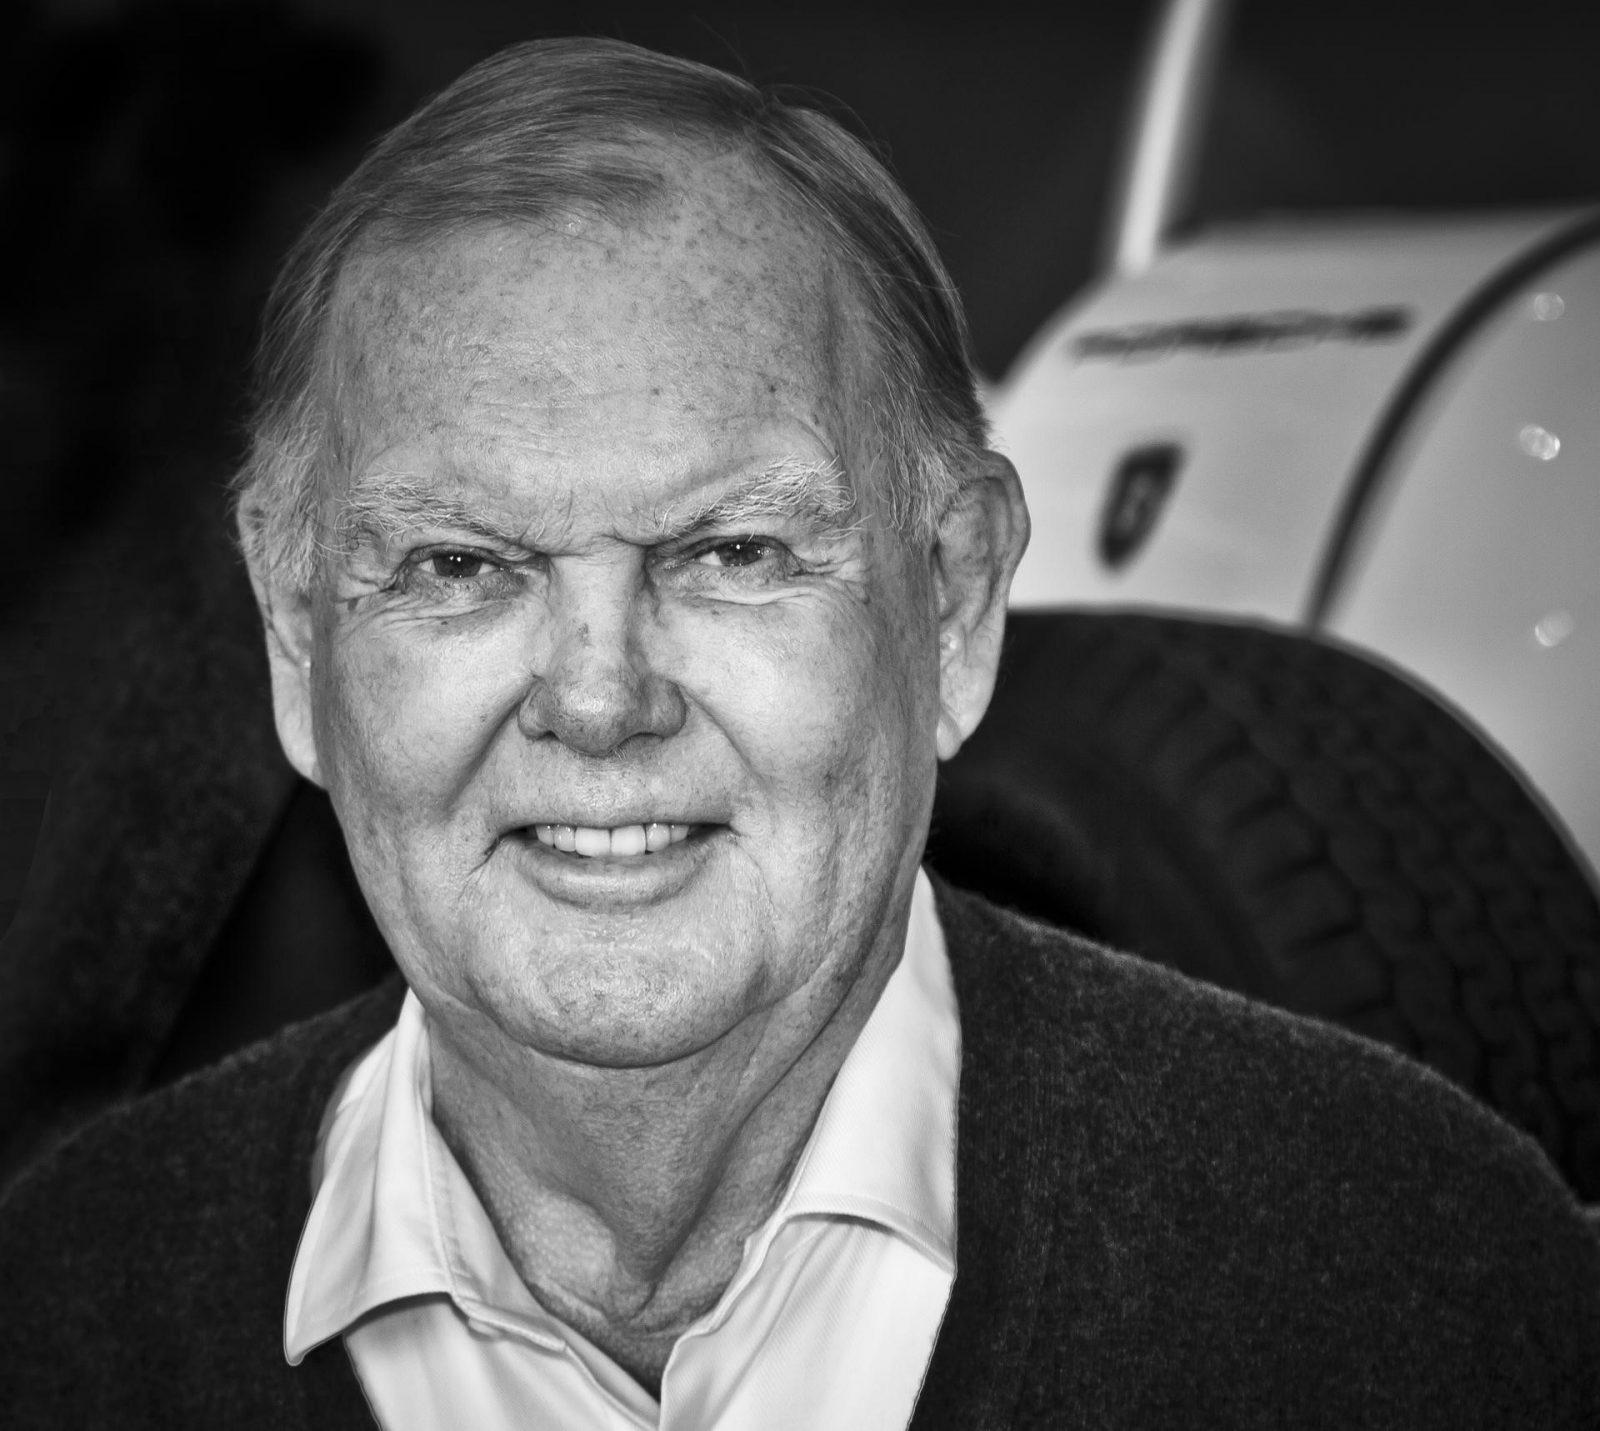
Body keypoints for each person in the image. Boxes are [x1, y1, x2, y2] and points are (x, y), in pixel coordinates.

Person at [2, 37, 1597, 1431]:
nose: (599, 701)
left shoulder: (1419, 1290)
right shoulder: (61, 1322)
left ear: (953, 603)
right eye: (460, 568)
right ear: (297, 643)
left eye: (733, 552)